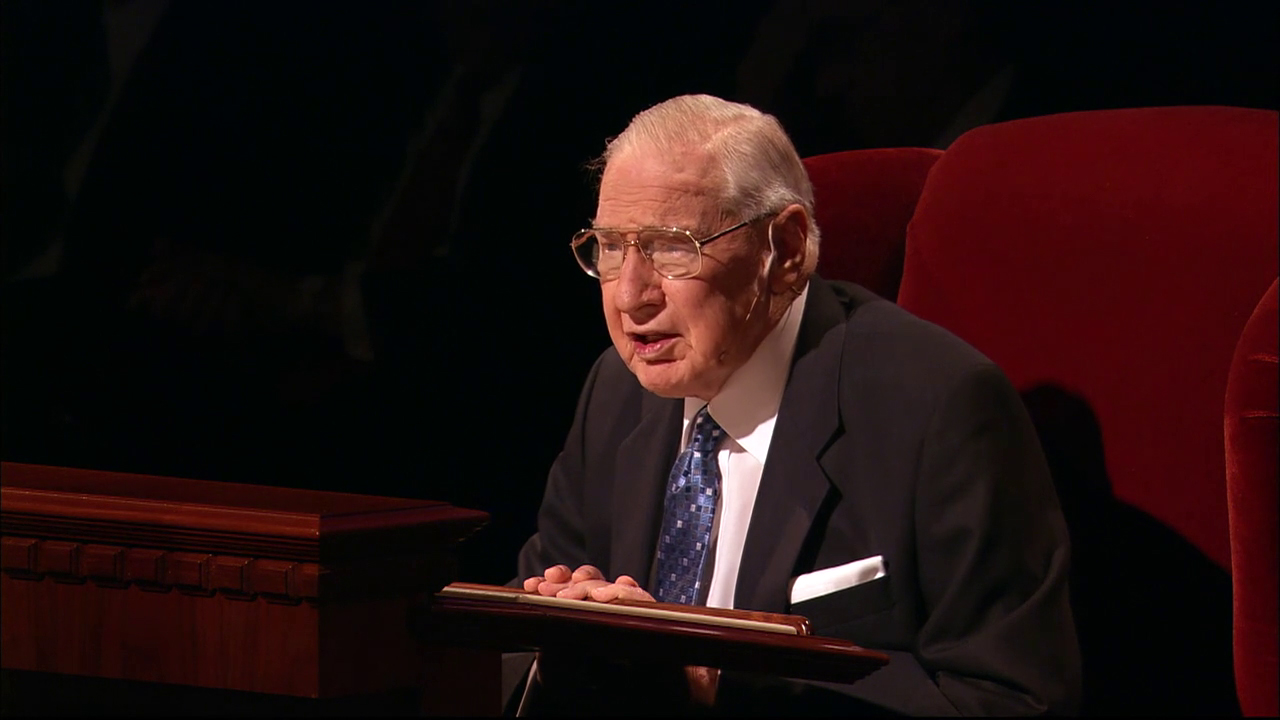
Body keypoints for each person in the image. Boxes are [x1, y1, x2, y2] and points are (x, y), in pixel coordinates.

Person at [513, 94, 1081, 716]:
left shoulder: (938, 409)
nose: (629, 296)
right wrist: (559, 638)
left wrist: (710, 675)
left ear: (784, 250)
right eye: (610, 247)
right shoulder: (617, 391)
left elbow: (1010, 700)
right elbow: (524, 626)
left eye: (671, 248)